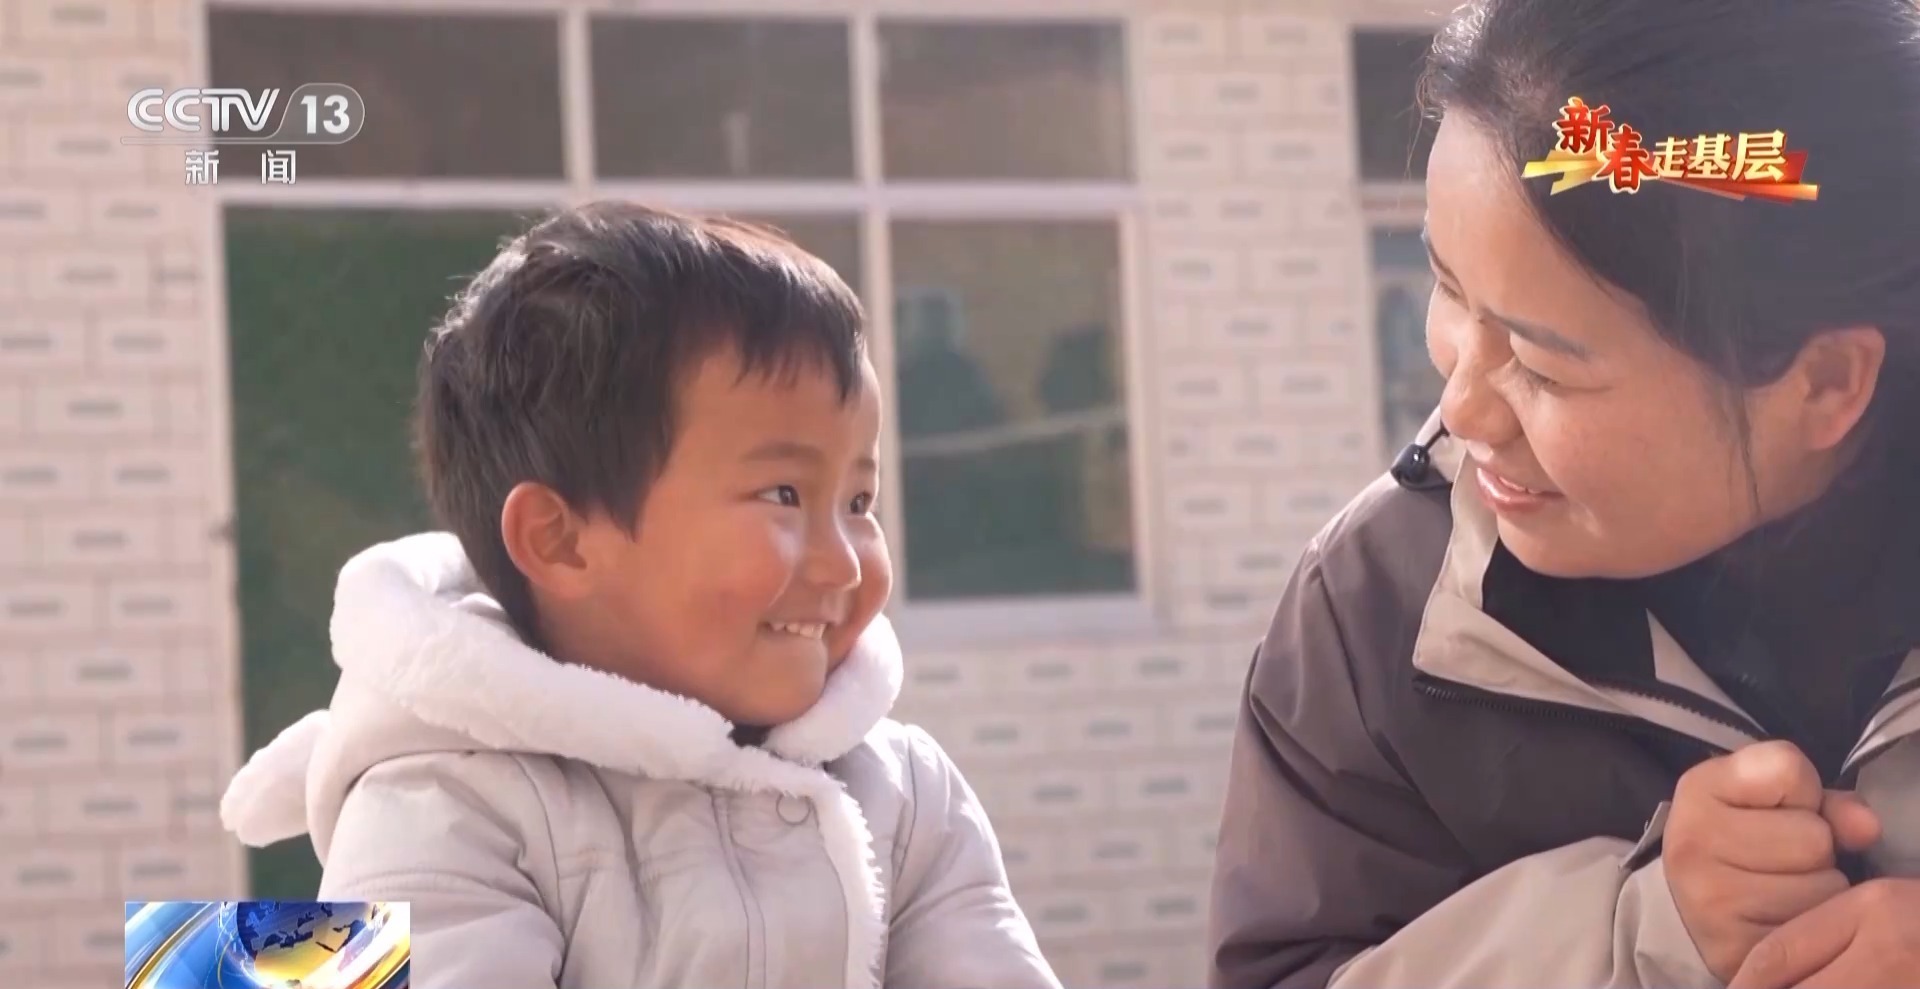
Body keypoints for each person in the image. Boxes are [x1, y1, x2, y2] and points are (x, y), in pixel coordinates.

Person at [1207, 1, 1920, 987]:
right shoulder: (1380, 609)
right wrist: (1639, 937)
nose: (1461, 409)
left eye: (1542, 368)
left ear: (1827, 382)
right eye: (1448, 288)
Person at [217, 202, 1060, 989]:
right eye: (784, 494)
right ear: (561, 540)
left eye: (859, 501)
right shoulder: (437, 806)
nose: (844, 564)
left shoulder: (907, 793)